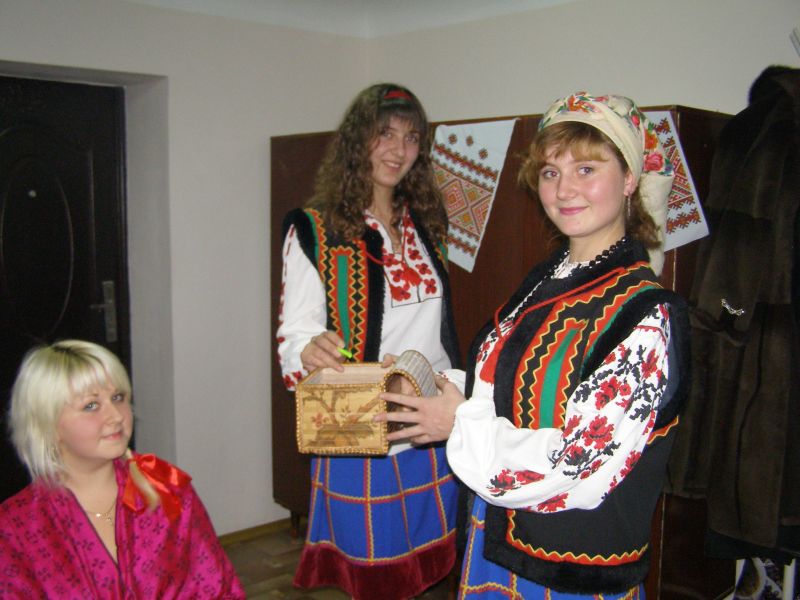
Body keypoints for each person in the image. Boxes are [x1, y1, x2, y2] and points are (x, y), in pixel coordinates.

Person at [379, 92, 690, 598]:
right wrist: (432, 384)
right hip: (502, 534)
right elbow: (509, 380)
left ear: (630, 178)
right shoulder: (551, 276)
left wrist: (458, 423)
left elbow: (579, 462)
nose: (564, 190)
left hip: (568, 569)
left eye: (586, 169)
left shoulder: (645, 315)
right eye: (550, 172)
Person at [276, 82, 461, 599]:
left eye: (411, 137)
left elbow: (439, 329)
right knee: (376, 577)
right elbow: (294, 338)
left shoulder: (427, 224)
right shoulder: (315, 229)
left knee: (429, 571)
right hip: (362, 431)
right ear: (358, 140)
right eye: (384, 134)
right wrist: (308, 349)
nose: (398, 150)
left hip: (428, 423)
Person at [0, 340, 244, 599]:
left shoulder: (167, 489)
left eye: (118, 398)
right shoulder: (16, 528)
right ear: (48, 424)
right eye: (91, 405)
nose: (116, 416)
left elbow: (218, 587)